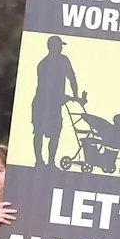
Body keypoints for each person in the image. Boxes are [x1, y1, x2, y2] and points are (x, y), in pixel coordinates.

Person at [31, 35, 79, 169]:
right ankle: (41, 161)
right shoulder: (59, 61)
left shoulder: (44, 63)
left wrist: (73, 96)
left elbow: (70, 78)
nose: (60, 49)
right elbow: (70, 78)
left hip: (47, 102)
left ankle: (47, 162)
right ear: (54, 47)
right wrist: (73, 96)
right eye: (59, 46)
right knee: (42, 131)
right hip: (45, 103)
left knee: (51, 132)